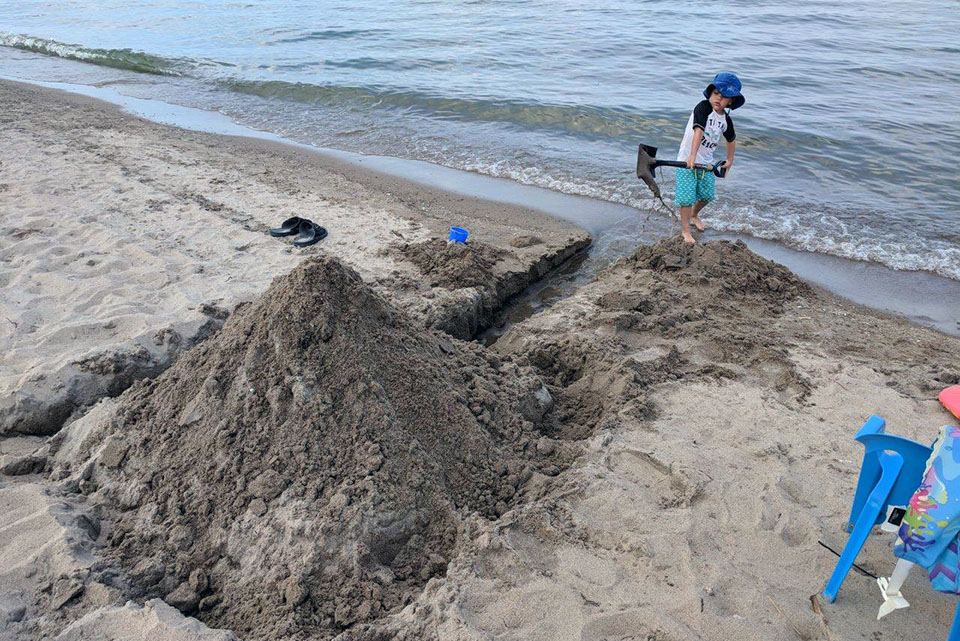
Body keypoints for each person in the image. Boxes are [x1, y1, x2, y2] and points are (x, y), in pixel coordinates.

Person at [674, 72, 745, 244]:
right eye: (716, 94)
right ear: (710, 93)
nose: (718, 99)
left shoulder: (725, 119)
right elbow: (698, 130)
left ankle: (694, 215)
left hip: (706, 164)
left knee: (706, 196)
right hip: (686, 161)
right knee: (686, 198)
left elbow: (731, 139)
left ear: (731, 101)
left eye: (724, 96)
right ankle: (685, 231)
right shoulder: (703, 108)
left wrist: (730, 160)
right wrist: (691, 156)